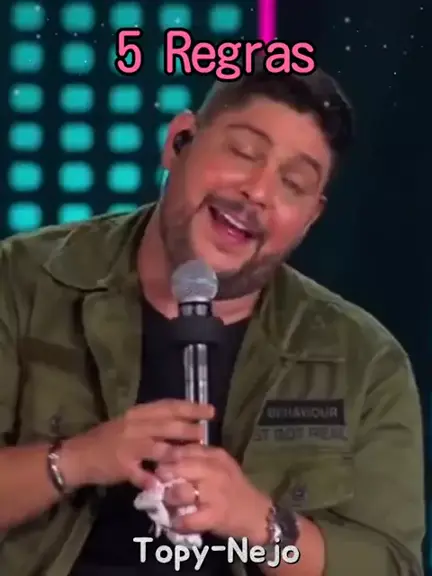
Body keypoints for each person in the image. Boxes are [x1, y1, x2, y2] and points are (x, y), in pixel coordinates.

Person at [0, 58, 425, 576]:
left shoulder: (365, 362)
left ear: (310, 218)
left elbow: (389, 566)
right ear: (179, 141)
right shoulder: (23, 280)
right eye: (243, 152)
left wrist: (260, 523)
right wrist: (78, 460)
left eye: (293, 183)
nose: (259, 192)